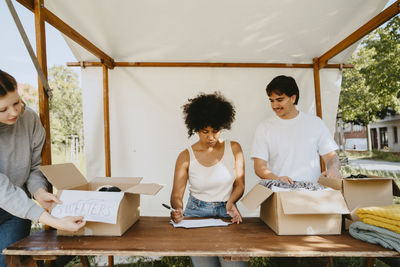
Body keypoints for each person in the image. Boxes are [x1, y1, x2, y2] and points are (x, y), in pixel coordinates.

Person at [251, 75, 340, 267]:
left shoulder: (314, 123)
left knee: (319, 260)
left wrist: (333, 170)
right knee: (283, 261)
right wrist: (276, 179)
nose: (275, 105)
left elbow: (331, 157)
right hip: (280, 201)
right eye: (271, 101)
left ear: (293, 97)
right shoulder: (265, 127)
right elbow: (259, 167)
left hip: (313, 203)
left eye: (279, 99)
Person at [0, 70, 85, 267]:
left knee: (7, 263)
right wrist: (55, 221)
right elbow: (3, 191)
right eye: (2, 110)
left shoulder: (29, 119)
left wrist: (38, 191)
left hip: (16, 212)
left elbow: (35, 167)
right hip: (9, 198)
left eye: (16, 102)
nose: (14, 113)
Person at [170, 92, 246, 267]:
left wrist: (231, 202)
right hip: (196, 215)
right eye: (205, 132)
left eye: (216, 131)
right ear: (195, 128)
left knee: (235, 264)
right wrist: (178, 209)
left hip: (227, 213)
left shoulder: (234, 148)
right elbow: (176, 195)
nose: (211, 137)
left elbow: (240, 184)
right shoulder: (186, 156)